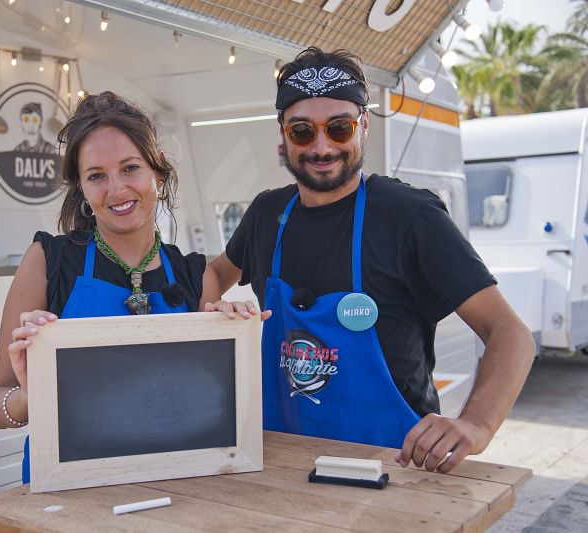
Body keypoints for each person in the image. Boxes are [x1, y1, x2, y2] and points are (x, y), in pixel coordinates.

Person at [206, 47, 535, 474]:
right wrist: (212, 315)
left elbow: (510, 332)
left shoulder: (410, 216)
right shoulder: (267, 214)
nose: (322, 147)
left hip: (392, 469)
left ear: (363, 126)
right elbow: (214, 273)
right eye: (302, 131)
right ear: (283, 136)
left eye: (339, 127)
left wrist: (476, 424)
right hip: (283, 464)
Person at [0, 91, 265, 483]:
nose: (116, 190)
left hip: (177, 483)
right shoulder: (48, 261)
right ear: (81, 188)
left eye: (130, 168)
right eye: (96, 176)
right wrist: (31, 396)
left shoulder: (195, 276)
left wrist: (231, 339)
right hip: (67, 490)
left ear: (158, 172)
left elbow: (217, 410)